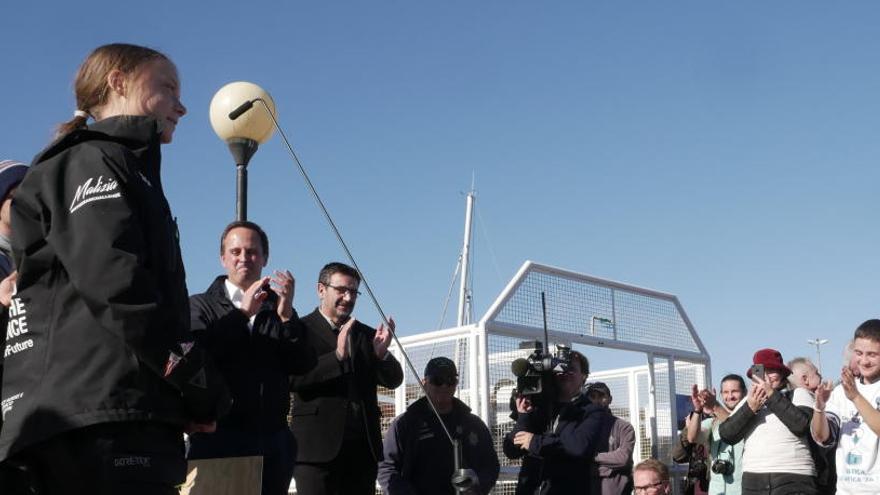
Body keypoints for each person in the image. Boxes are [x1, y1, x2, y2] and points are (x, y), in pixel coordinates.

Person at [0, 43, 230, 495]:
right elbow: (118, 287)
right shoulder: (92, 159)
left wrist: (175, 398)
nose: (181, 105)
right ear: (118, 82)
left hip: (112, 415)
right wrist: (197, 381)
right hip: (97, 426)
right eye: (167, 87)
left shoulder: (119, 165)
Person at [187, 221, 316, 495]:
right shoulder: (200, 306)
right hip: (218, 437)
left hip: (273, 441)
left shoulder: (278, 309)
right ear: (223, 258)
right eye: (235, 252)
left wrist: (287, 318)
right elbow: (196, 357)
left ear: (265, 258)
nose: (244, 258)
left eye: (252, 251)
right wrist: (241, 316)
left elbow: (303, 365)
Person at [290, 262, 404, 495]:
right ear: (321, 290)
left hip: (362, 451)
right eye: (341, 290)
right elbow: (293, 378)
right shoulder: (300, 329)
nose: (348, 297)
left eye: (353, 292)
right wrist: (337, 357)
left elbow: (394, 380)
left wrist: (381, 357)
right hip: (316, 452)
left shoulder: (365, 334)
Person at [377, 356, 500, 495]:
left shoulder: (474, 424)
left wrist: (477, 485)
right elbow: (387, 467)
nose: (444, 386)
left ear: (456, 383)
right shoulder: (404, 424)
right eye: (437, 380)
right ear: (424, 383)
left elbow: (490, 465)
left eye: (450, 380)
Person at [502, 350, 611, 494]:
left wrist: (535, 442)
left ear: (584, 376)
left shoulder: (592, 411)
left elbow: (578, 446)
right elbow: (511, 451)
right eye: (559, 367)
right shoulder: (538, 407)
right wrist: (523, 416)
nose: (564, 372)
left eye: (571, 368)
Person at [719, 348, 817, 494]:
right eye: (761, 371)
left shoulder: (798, 394)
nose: (766, 377)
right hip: (754, 480)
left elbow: (801, 426)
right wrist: (750, 408)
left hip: (793, 478)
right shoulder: (749, 400)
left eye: (772, 371)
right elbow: (727, 434)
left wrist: (771, 394)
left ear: (783, 373)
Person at [812, 319, 880, 494]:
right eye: (859, 353)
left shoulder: (851, 392)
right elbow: (823, 437)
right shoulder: (840, 392)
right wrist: (819, 407)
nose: (863, 361)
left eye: (872, 354)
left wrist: (856, 396)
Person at [686, 375, 746, 495]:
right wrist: (698, 410)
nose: (730, 396)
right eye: (725, 392)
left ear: (745, 392)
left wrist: (715, 406)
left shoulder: (751, 418)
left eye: (734, 391)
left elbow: (735, 426)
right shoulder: (713, 422)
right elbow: (692, 437)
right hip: (717, 491)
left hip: (743, 490)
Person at [586, 382, 635, 495]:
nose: (597, 400)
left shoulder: (624, 427)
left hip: (617, 490)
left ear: (610, 399)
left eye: (602, 396)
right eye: (593, 397)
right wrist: (610, 466)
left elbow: (623, 458)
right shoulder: (582, 427)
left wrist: (592, 457)